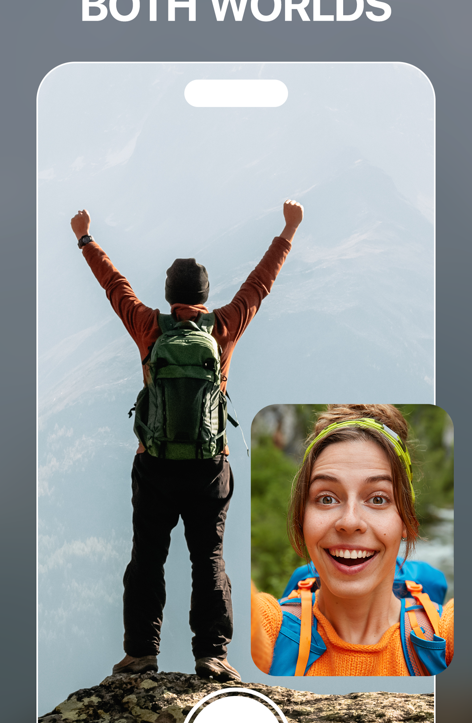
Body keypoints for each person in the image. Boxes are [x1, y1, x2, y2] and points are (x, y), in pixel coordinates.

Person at [70, 200, 304, 681]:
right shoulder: (222, 328)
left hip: (154, 465)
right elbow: (260, 285)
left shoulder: (148, 326)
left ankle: (140, 654)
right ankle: (212, 657)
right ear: (204, 294)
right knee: (209, 559)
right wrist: (288, 231)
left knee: (147, 557)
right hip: (207, 468)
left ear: (168, 294)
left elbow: (115, 287)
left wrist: (85, 238)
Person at [251, 404, 454, 677]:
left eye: (378, 499)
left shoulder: (443, 635)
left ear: (406, 520)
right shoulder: (271, 628)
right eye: (326, 498)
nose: (349, 522)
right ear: (302, 517)